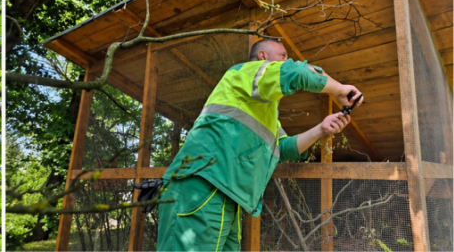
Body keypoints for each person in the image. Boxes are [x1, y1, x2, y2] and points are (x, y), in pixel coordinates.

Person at [155, 38, 364, 252]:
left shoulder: (265, 111)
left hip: (227, 195)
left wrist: (321, 129)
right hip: (202, 185)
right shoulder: (244, 72)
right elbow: (296, 72)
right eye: (283, 56)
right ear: (263, 57)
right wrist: (339, 89)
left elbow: (283, 149)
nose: (288, 60)